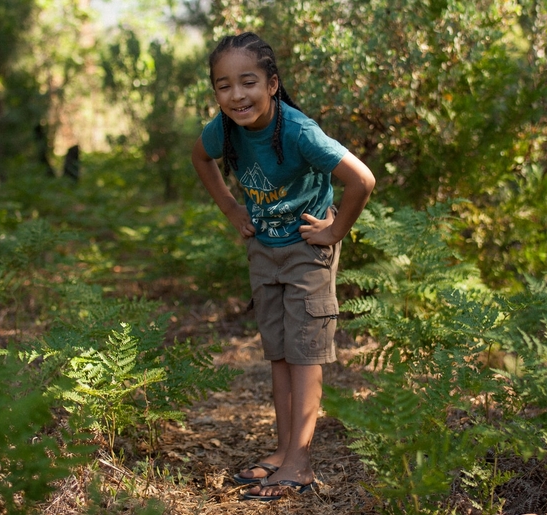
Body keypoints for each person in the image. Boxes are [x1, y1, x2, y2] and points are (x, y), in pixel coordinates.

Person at [190, 32, 375, 502]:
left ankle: (300, 464)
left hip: (306, 251)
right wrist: (232, 210)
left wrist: (334, 232)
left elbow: (361, 180)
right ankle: (283, 451)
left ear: (272, 84)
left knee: (305, 354)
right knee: (278, 352)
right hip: (263, 249)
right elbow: (200, 157)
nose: (236, 95)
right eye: (223, 85)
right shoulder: (225, 129)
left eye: (247, 82)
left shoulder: (298, 131)